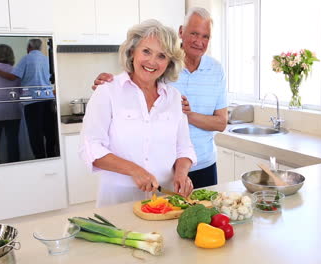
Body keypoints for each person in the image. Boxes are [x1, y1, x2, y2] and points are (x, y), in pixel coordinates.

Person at [93, 7, 228, 188]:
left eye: (205, 36)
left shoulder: (214, 71)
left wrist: (186, 114)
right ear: (181, 31)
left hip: (201, 162)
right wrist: (108, 84)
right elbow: (136, 76)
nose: (199, 41)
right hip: (162, 170)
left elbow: (220, 123)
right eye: (194, 33)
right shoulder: (158, 69)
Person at [80, 19, 196, 207]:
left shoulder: (174, 98)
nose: (152, 61)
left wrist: (182, 174)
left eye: (162, 56)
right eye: (146, 51)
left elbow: (184, 147)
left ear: (169, 63)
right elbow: (90, 147)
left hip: (164, 199)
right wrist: (134, 170)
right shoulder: (108, 91)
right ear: (132, 52)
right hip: (118, 200)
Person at [0, 39, 57, 159]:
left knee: (35, 135)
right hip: (48, 100)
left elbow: (13, 77)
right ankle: (52, 158)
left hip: (33, 102)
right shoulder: (46, 59)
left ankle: (40, 160)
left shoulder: (26, 59)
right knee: (49, 133)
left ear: (29, 46)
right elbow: (50, 78)